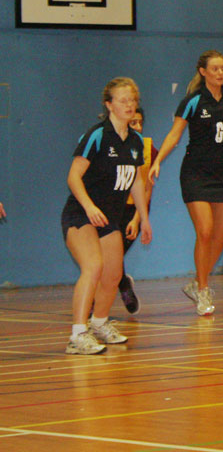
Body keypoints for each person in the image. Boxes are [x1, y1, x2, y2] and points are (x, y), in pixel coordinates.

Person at [150, 50, 223, 316]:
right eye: (215, 69)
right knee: (205, 231)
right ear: (203, 72)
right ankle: (203, 290)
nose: (220, 73)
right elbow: (175, 134)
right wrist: (158, 160)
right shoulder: (193, 101)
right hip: (196, 173)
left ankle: (196, 282)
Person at [62, 78, 153, 354]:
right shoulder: (98, 135)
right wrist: (90, 207)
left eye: (132, 100)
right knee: (93, 267)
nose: (129, 105)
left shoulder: (136, 141)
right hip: (81, 214)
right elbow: (73, 177)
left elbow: (136, 181)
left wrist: (143, 218)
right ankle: (78, 335)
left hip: (109, 220)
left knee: (113, 275)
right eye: (123, 100)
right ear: (109, 104)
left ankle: (99, 323)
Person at [117, 106, 158, 315]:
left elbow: (147, 189)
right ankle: (122, 284)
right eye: (134, 123)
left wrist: (137, 219)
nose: (139, 127)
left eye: (141, 123)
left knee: (114, 256)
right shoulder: (111, 146)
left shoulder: (148, 149)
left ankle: (122, 285)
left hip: (134, 211)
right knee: (107, 258)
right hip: (112, 209)